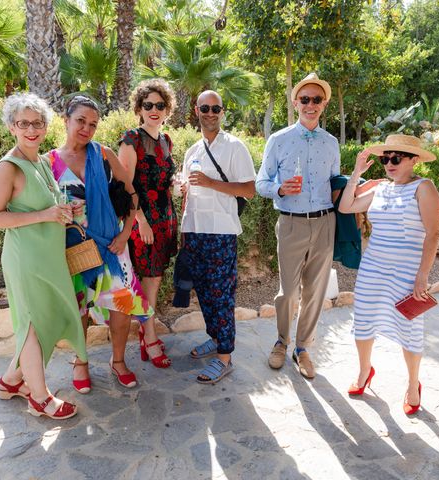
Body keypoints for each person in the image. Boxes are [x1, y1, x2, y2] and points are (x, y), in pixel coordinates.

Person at [0, 93, 87, 420]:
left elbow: (48, 209)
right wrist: (44, 215)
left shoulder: (42, 162)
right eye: (23, 123)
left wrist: (67, 211)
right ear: (12, 126)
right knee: (30, 323)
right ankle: (39, 397)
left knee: (45, 320)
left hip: (48, 258)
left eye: (37, 123)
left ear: (45, 126)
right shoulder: (8, 167)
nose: (31, 129)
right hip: (25, 259)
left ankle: (11, 380)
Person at [49, 95, 154, 390]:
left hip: (112, 246)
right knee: (78, 310)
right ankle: (81, 362)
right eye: (80, 120)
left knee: (121, 308)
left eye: (93, 124)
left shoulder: (104, 154)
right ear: (65, 119)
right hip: (74, 249)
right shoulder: (49, 163)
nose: (86, 128)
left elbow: (133, 195)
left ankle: (118, 360)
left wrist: (125, 234)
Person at [338, 134, 439, 415]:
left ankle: (412, 385)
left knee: (409, 329)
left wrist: (423, 274)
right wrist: (357, 175)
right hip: (373, 267)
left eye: (396, 158)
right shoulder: (381, 189)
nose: (389, 164)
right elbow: (345, 207)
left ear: (414, 160)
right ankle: (364, 372)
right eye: (386, 159)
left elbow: (433, 234)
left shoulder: (424, 187)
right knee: (364, 320)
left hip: (407, 271)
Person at [256, 73, 339, 379]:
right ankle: (281, 340)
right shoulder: (278, 140)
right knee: (288, 292)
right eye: (305, 99)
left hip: (324, 223)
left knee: (315, 292)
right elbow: (260, 182)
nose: (310, 104)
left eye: (317, 99)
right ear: (295, 102)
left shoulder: (331, 143)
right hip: (290, 223)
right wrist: (279, 189)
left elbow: (335, 184)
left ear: (324, 104)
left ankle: (302, 348)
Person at [181, 90, 256, 384]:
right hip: (194, 229)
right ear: (196, 111)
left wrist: (212, 183)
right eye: (205, 108)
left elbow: (249, 190)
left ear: (222, 112)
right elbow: (189, 189)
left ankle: (224, 357)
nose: (210, 113)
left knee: (222, 294)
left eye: (216, 108)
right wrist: (183, 188)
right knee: (204, 291)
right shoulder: (191, 152)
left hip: (222, 231)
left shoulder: (235, 148)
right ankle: (215, 337)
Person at [118, 79, 177, 368]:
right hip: (143, 220)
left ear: (167, 109)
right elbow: (124, 186)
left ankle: (146, 333)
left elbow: (165, 180)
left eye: (160, 105)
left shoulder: (166, 140)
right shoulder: (131, 139)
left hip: (165, 219)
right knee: (147, 281)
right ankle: (150, 337)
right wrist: (140, 220)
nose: (154, 110)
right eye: (148, 105)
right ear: (139, 108)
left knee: (154, 279)